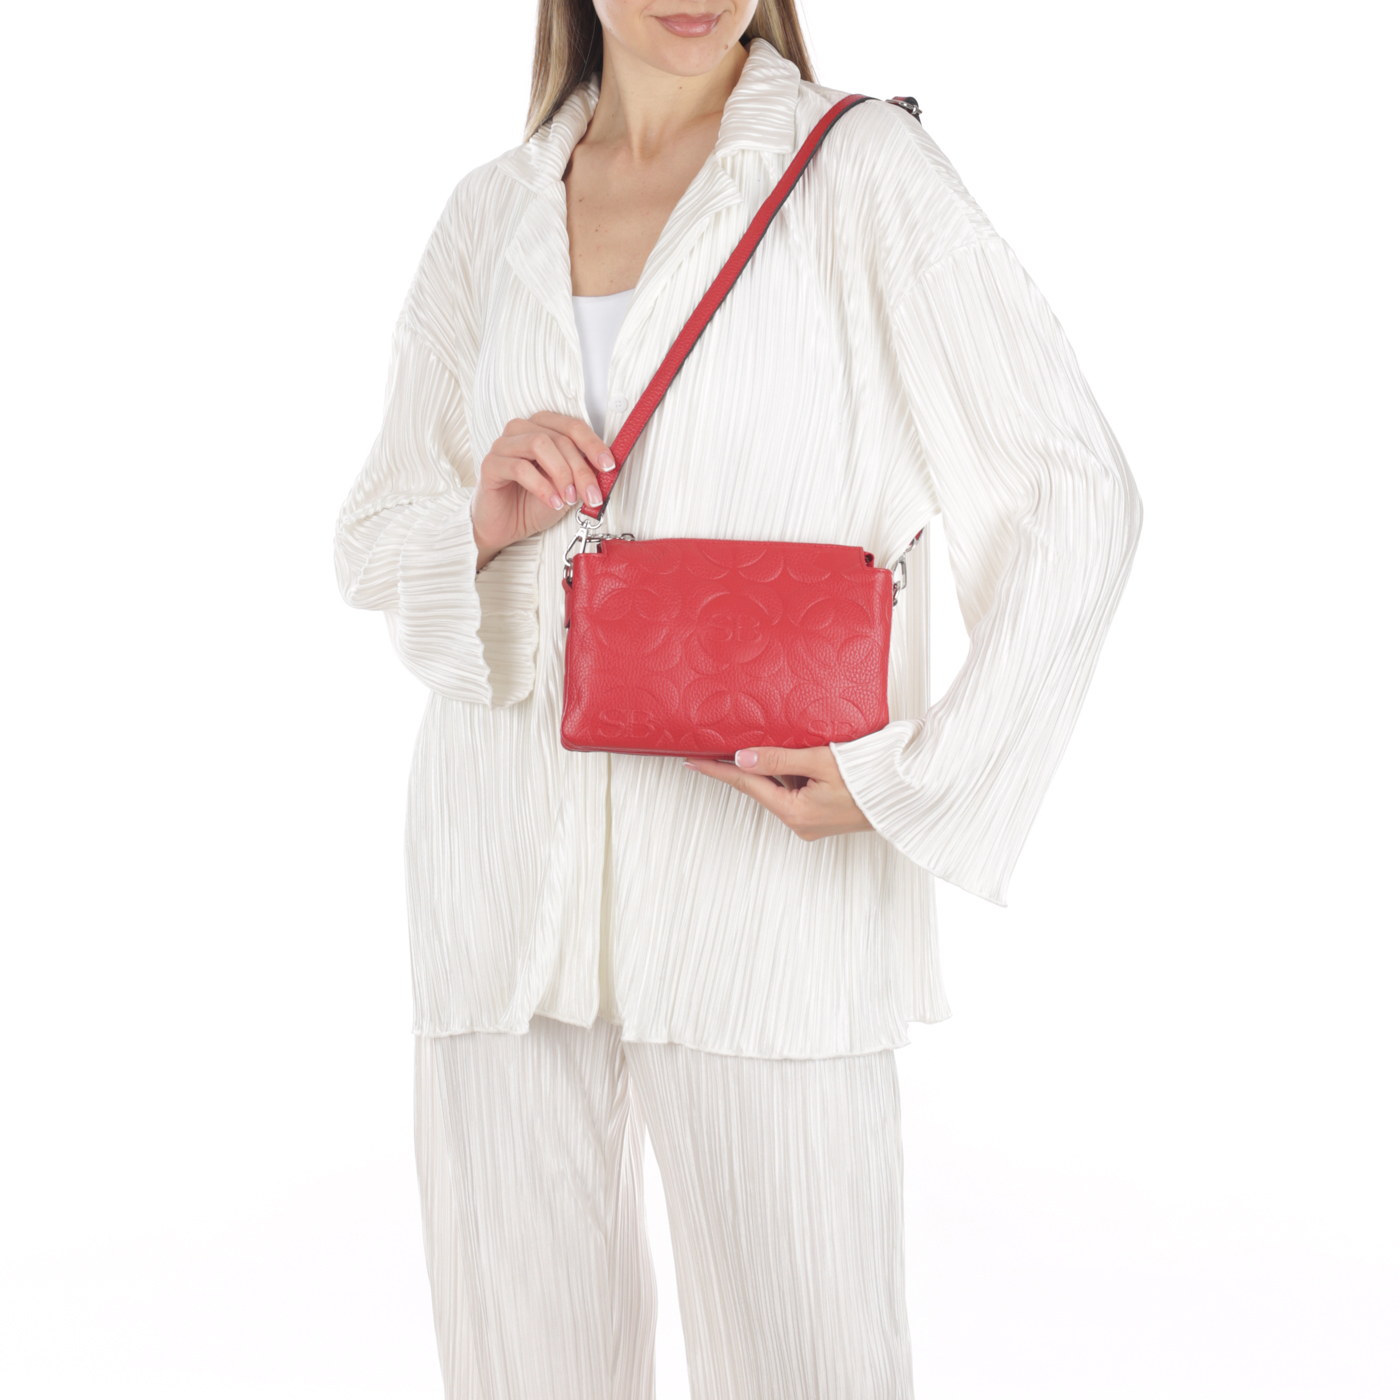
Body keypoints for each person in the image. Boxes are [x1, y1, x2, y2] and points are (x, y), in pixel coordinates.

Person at [333, 2, 1142, 1396]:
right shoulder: (488, 213)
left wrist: (912, 781)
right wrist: (480, 510)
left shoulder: (862, 173)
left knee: (806, 1359)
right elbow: (370, 540)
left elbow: (1077, 492)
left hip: (765, 868)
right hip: (500, 863)